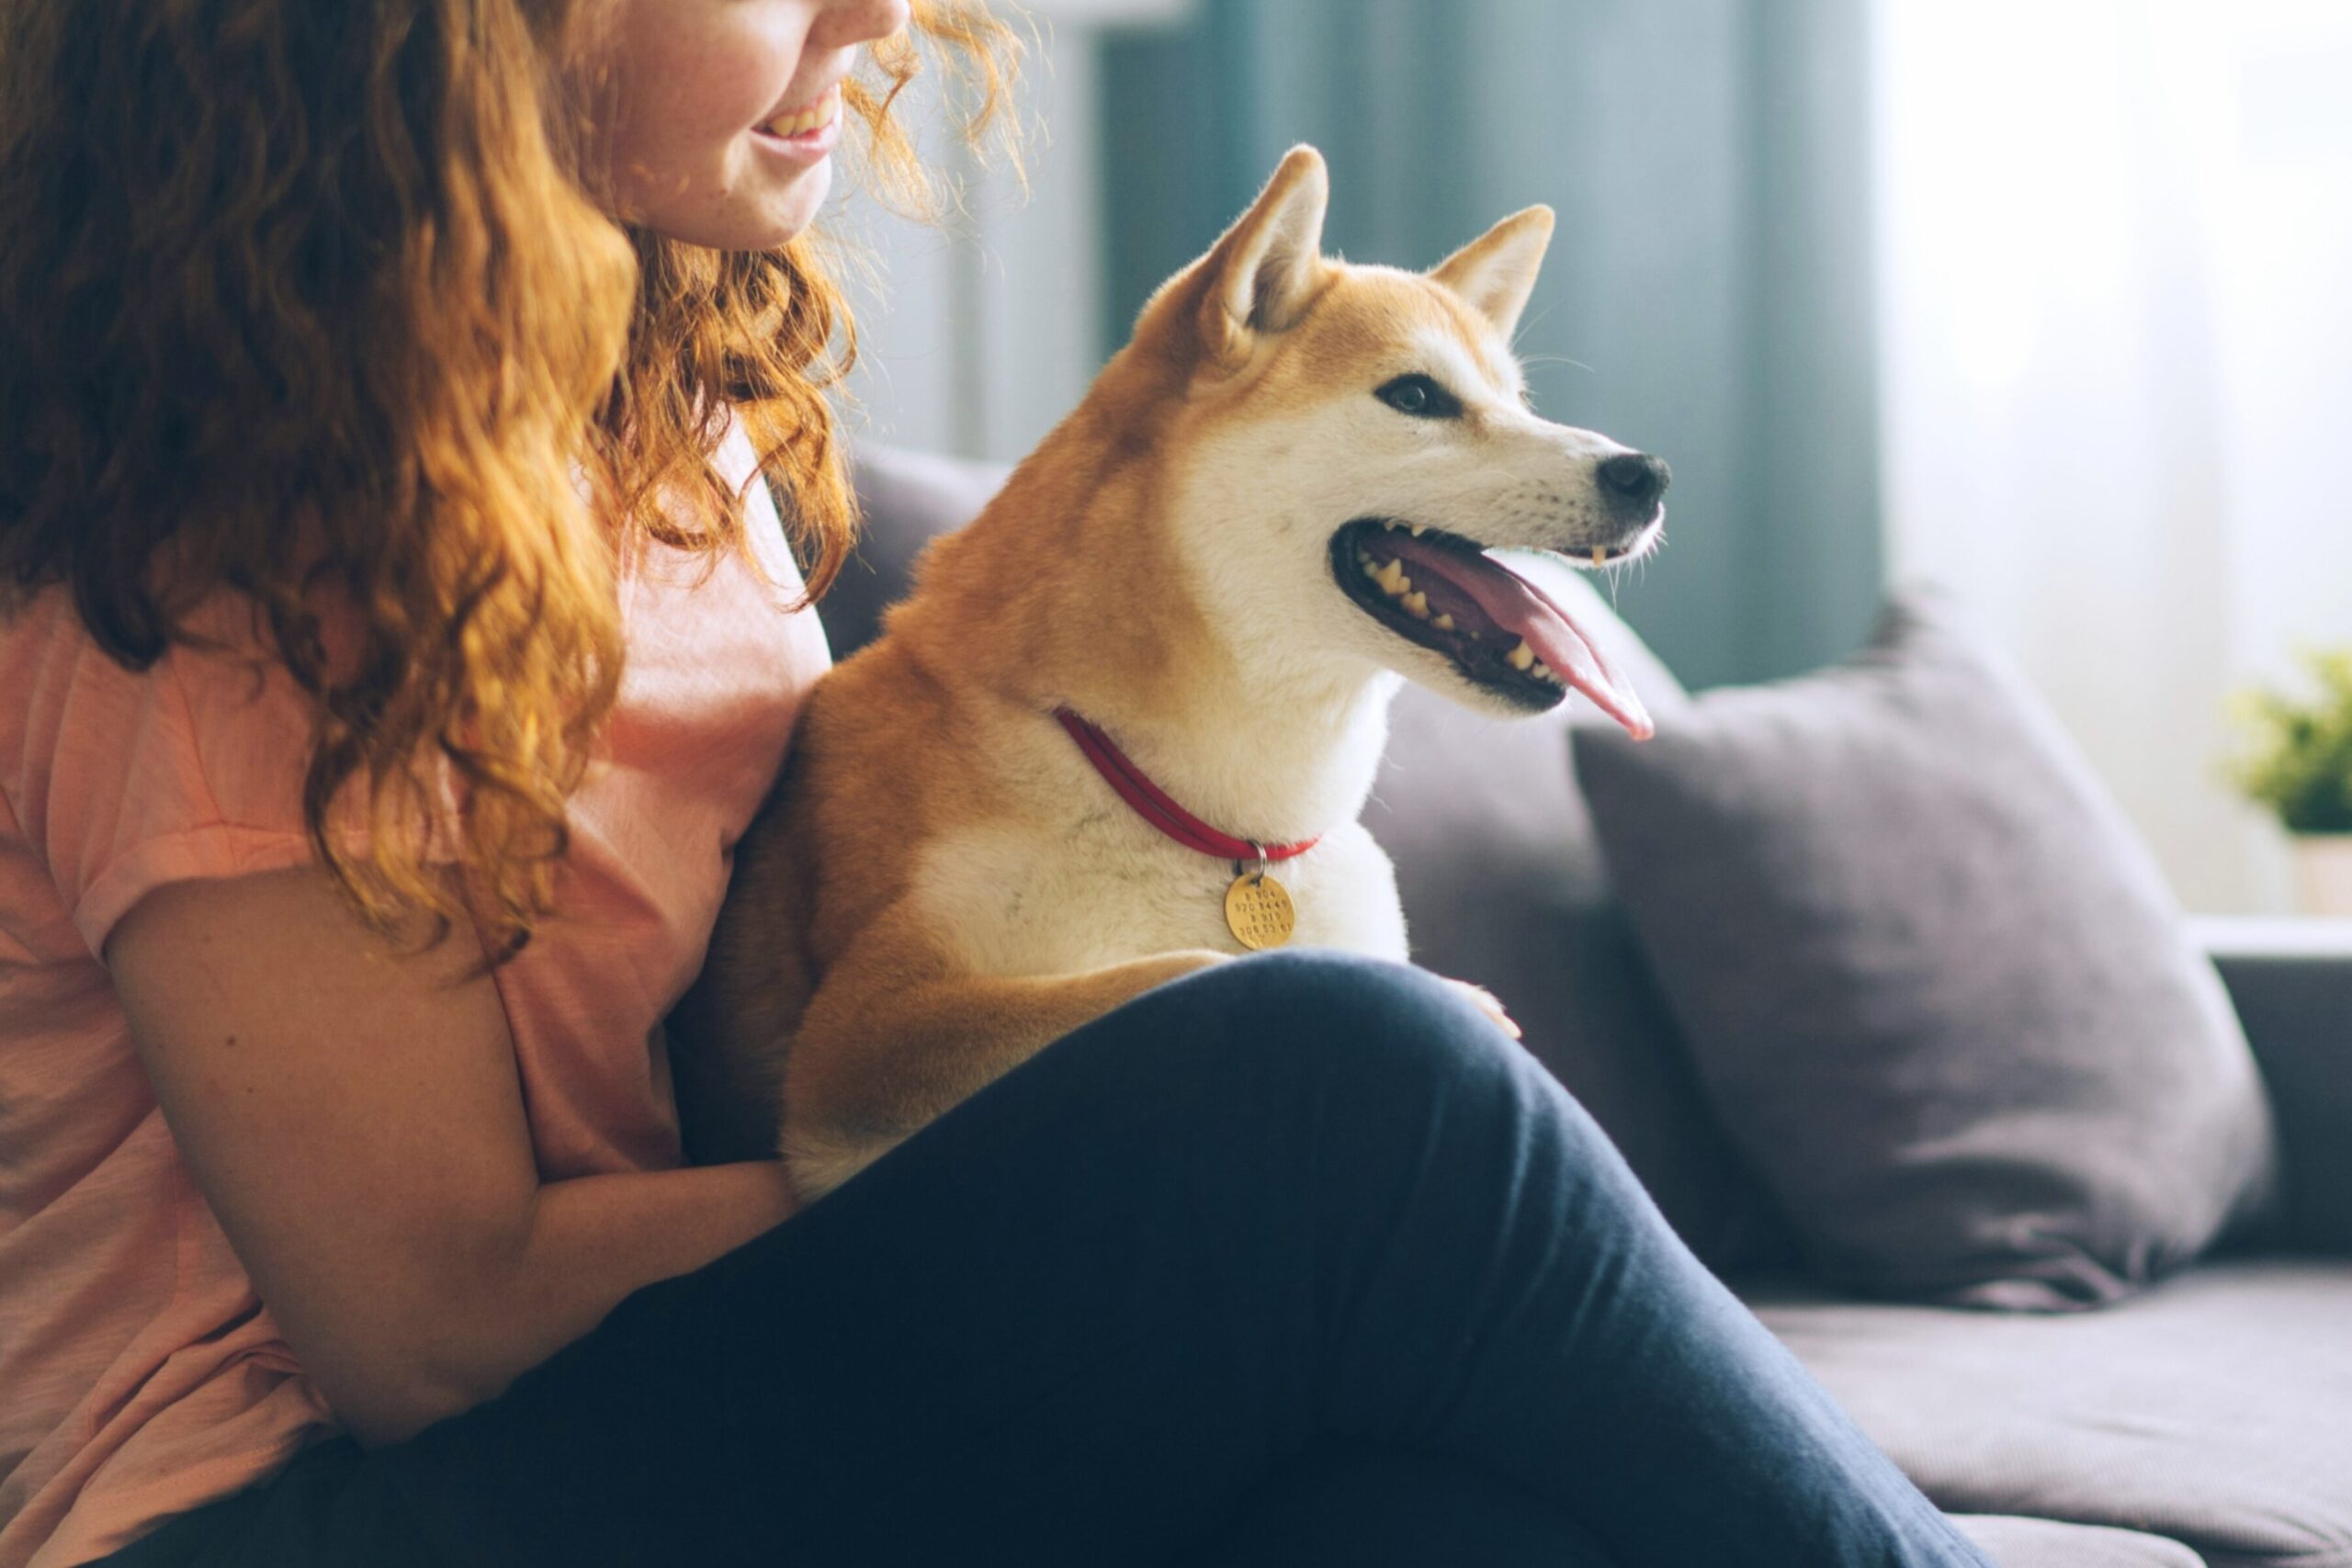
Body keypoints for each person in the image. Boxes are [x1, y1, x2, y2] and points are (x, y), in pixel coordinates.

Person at [0, 2, 1995, 1563]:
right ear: (452, 33)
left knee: (1457, 1534)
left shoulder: (678, 462)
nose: (872, 19)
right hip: (282, 1507)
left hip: (698, 1383)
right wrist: (1165, 1117)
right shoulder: (216, 580)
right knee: (1352, 1085)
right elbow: (426, 1323)